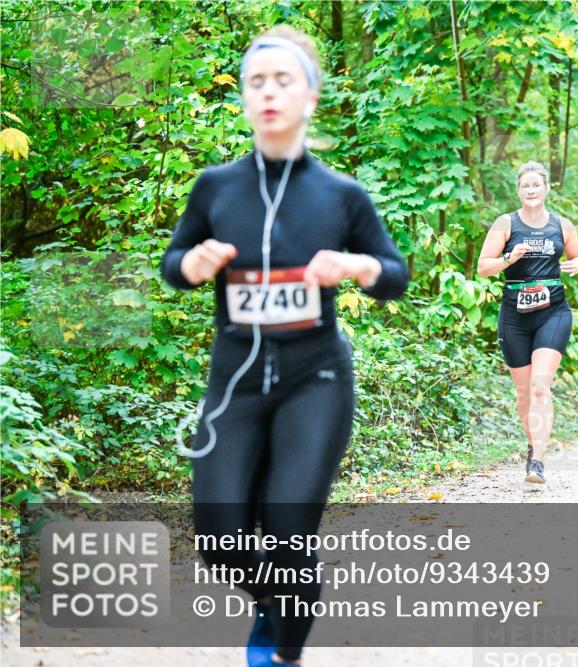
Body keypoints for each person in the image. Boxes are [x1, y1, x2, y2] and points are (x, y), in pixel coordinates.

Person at [160, 26, 408, 666]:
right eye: (256, 82)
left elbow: (396, 275)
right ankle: (286, 602)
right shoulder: (216, 188)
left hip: (315, 379)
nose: (268, 92)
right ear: (245, 99)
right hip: (235, 381)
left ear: (309, 96)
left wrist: (354, 268)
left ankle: (281, 651)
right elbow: (173, 260)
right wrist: (192, 265)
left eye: (283, 81)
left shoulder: (341, 195)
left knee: (290, 532)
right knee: (218, 541)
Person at [476, 161, 578, 484]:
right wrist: (510, 258)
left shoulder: (561, 225)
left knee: (540, 386)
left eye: (537, 185)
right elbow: (483, 267)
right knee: (524, 393)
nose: (531, 190)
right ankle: (532, 444)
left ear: (547, 188)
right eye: (526, 186)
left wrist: (577, 264)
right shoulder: (505, 224)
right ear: (519, 190)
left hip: (553, 312)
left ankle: (537, 461)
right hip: (514, 316)